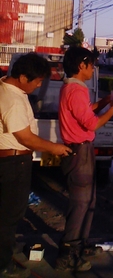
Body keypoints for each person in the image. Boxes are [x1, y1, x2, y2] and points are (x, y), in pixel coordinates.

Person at [0, 53, 71, 278]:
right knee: (10, 215)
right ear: (22, 77)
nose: (39, 85)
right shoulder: (13, 99)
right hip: (14, 161)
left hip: (9, 160)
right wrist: (53, 147)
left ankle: (4, 255)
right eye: (37, 81)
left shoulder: (5, 88)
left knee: (6, 214)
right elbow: (25, 138)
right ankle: (2, 265)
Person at [55, 47, 113, 272]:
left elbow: (85, 113)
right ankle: (67, 253)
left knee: (89, 201)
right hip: (79, 152)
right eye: (90, 64)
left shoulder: (75, 88)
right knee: (81, 203)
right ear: (81, 65)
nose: (93, 67)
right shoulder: (75, 90)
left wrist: (105, 101)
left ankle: (80, 245)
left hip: (83, 150)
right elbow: (91, 123)